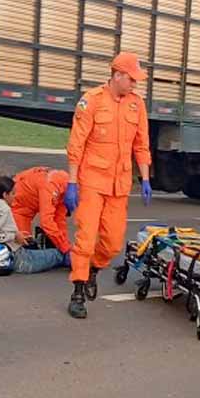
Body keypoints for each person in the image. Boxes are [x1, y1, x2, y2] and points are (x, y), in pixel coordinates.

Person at [65, 51, 152, 318]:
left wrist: (145, 178)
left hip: (120, 184)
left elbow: (141, 144)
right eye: (132, 79)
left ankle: (93, 271)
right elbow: (76, 144)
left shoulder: (137, 105)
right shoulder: (91, 101)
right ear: (117, 75)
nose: (135, 84)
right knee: (86, 240)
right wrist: (71, 182)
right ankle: (78, 292)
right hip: (91, 181)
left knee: (113, 243)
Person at [10, 166, 73, 256]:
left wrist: (65, 244)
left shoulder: (64, 187)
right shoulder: (51, 187)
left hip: (27, 198)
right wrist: (65, 249)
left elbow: (59, 220)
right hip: (18, 205)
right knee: (24, 248)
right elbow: (47, 222)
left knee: (34, 245)